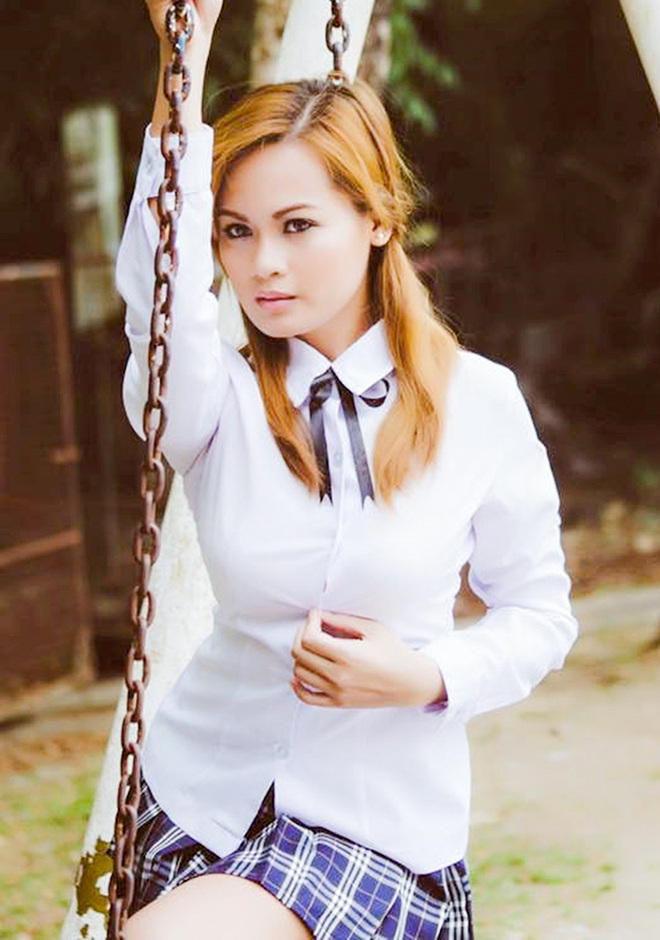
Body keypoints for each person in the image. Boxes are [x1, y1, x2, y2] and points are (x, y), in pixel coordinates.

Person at [118, 1, 578, 937]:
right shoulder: (215, 401)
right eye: (236, 232)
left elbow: (539, 615)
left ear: (375, 219)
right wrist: (181, 62)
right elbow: (157, 304)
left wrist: (427, 675)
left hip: (375, 824)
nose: (262, 264)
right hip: (203, 802)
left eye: (296, 226)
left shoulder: (477, 403)